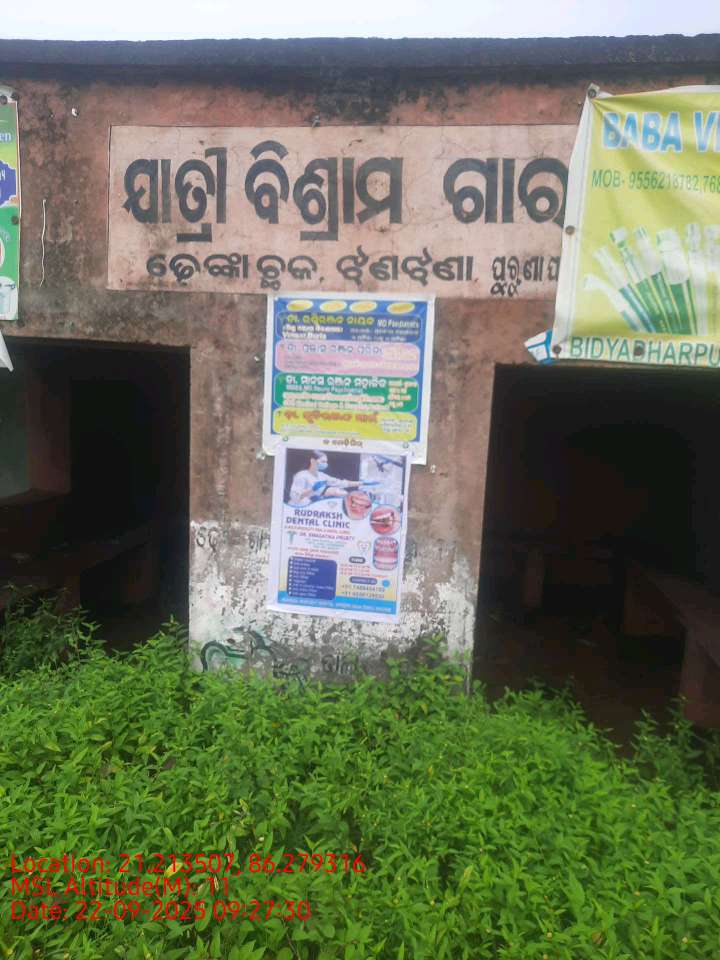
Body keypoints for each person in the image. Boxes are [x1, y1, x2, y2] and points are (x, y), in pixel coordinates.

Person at [288, 450, 362, 506]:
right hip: (298, 507)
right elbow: (295, 496)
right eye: (323, 461)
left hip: (314, 505)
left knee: (341, 492)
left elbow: (341, 483)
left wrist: (361, 483)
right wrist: (312, 490)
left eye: (326, 462)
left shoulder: (322, 476)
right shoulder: (301, 475)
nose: (325, 464)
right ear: (313, 461)